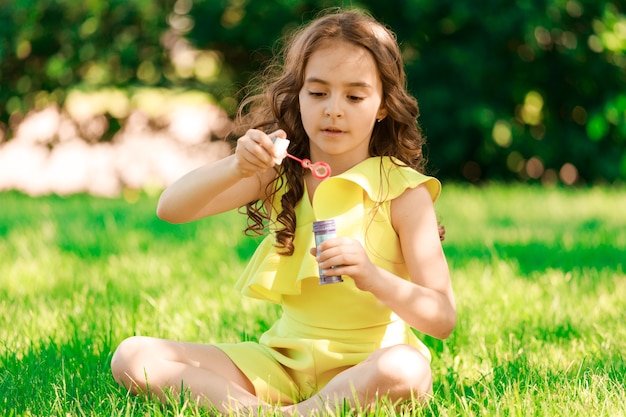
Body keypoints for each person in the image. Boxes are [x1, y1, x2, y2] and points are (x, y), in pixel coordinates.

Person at [110, 8, 456, 415]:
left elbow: (442, 317)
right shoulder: (281, 171)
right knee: (133, 357)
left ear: (383, 105)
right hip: (281, 365)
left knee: (408, 369)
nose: (333, 109)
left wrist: (373, 277)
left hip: (368, 368)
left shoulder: (402, 191)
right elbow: (171, 208)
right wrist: (235, 166)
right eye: (318, 92)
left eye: (355, 96)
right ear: (298, 95)